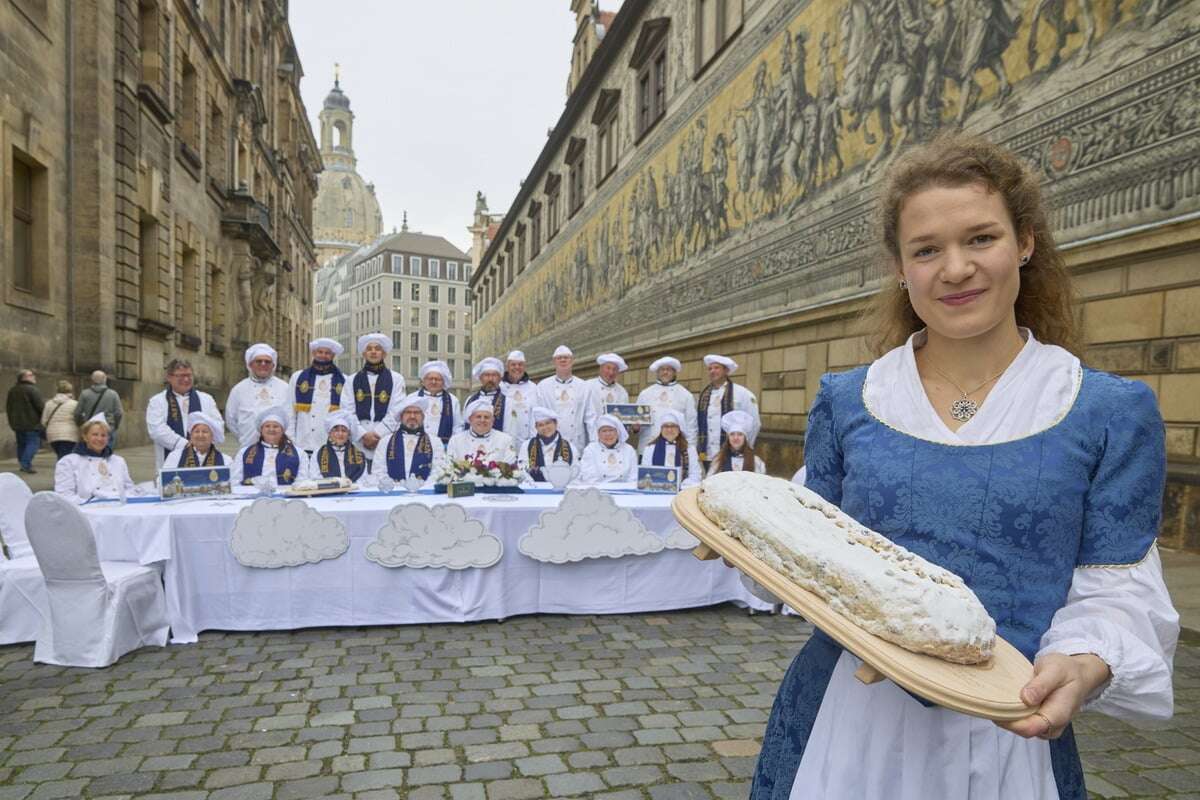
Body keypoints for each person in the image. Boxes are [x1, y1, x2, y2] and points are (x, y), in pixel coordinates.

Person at [746, 134, 1179, 800]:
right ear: (900, 266)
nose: (955, 269)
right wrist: (750, 541)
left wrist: (1085, 660)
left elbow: (1117, 585)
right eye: (927, 249)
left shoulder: (1107, 413)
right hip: (847, 732)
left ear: (1025, 242)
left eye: (981, 239)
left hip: (1007, 737)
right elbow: (809, 550)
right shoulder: (848, 402)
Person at [145, 359, 223, 471]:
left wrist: (201, 440)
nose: (186, 379)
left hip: (204, 458)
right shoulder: (157, 401)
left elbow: (218, 425)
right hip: (170, 462)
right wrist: (185, 445)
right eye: (180, 376)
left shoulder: (206, 399)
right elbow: (156, 429)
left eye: (189, 375)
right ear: (169, 377)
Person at [342, 333, 405, 465]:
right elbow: (346, 411)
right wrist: (363, 435)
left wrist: (377, 434)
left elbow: (397, 410)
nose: (373, 352)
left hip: (386, 438)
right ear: (364, 354)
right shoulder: (352, 380)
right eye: (369, 349)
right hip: (359, 440)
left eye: (377, 348)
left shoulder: (396, 379)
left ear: (384, 354)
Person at [54, 413, 137, 504]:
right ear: (85, 437)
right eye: (95, 434)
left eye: (103, 435)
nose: (99, 439)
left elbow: (130, 489)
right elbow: (64, 496)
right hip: (87, 512)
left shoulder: (118, 461)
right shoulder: (68, 462)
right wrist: (92, 504)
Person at [696, 354, 759, 466]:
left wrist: (744, 448)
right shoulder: (704, 395)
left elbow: (754, 423)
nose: (712, 371)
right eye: (710, 368)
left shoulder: (742, 394)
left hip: (732, 454)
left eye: (716, 368)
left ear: (726, 370)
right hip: (707, 454)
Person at [226, 343, 292, 448]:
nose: (263, 364)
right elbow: (231, 420)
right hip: (249, 446)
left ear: (273, 365)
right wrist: (245, 436)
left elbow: (290, 417)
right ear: (250, 364)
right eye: (258, 361)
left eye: (267, 362)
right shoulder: (239, 389)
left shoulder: (285, 388)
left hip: (280, 448)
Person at [289, 338, 347, 455]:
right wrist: (290, 439)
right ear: (313, 353)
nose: (323, 356)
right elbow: (290, 410)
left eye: (327, 353)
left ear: (333, 356)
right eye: (320, 352)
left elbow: (346, 414)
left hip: (331, 444)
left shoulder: (344, 380)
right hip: (303, 443)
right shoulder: (297, 377)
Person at [372, 393, 445, 485]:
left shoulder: (435, 442)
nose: (412, 416)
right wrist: (396, 487)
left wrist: (421, 487)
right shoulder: (385, 441)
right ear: (401, 417)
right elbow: (378, 471)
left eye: (416, 413)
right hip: (392, 493)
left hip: (425, 493)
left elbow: (439, 471)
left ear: (423, 417)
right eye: (408, 412)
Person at [231, 406, 308, 487]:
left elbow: (302, 482)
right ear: (261, 430)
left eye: (276, 426)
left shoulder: (300, 454)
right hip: (252, 497)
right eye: (267, 426)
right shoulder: (244, 453)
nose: (271, 429)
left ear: (282, 430)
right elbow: (235, 481)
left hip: (286, 497)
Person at [634, 357, 698, 453]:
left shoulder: (686, 395)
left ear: (675, 372)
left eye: (668, 369)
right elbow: (636, 420)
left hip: (676, 449)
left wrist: (691, 450)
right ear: (657, 372)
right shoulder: (645, 394)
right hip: (647, 447)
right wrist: (635, 428)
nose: (665, 372)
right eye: (662, 370)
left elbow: (691, 425)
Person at [535, 345, 592, 451]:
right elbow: (538, 416)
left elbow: (590, 417)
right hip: (550, 443)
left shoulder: (584, 386)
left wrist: (594, 443)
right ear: (554, 362)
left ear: (572, 361)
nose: (563, 360)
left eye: (566, 357)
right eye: (559, 358)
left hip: (576, 442)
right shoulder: (543, 386)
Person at [640, 409, 701, 488]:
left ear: (679, 429)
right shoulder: (650, 449)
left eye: (673, 426)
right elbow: (645, 473)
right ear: (661, 429)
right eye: (666, 426)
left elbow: (695, 475)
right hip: (656, 490)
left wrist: (679, 486)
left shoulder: (689, 449)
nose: (669, 429)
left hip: (682, 490)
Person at [446, 398, 517, 465]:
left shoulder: (505, 440)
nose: (482, 420)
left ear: (493, 421)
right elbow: (450, 466)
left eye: (486, 417)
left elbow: (510, 467)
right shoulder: (456, 440)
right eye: (478, 417)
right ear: (470, 419)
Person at [519, 406, 578, 482]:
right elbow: (522, 470)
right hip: (535, 490)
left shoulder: (570, 447)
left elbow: (576, 473)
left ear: (556, 424)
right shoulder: (527, 445)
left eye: (548, 423)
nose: (545, 427)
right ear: (536, 427)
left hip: (562, 490)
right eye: (540, 425)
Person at [307, 411, 367, 482]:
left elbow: (362, 480)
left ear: (348, 434)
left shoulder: (359, 455)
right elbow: (315, 478)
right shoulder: (318, 453)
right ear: (329, 433)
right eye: (336, 430)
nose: (340, 434)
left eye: (344, 431)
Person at [579, 414, 639, 483]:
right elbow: (588, 477)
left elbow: (633, 476)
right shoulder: (591, 449)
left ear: (618, 432)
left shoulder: (629, 450)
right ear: (598, 434)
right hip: (598, 490)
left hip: (624, 490)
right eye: (604, 431)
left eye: (611, 430)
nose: (608, 434)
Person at [584, 353, 630, 442]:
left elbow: (624, 418)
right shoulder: (587, 386)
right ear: (601, 368)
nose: (611, 372)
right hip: (590, 438)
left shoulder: (622, 392)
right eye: (608, 368)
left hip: (613, 440)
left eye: (615, 369)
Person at [707, 410, 766, 476]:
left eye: (740, 434)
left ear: (745, 438)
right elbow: (710, 481)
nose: (735, 438)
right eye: (732, 434)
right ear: (728, 438)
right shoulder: (718, 460)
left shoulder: (756, 462)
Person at [6, 369, 44, 474]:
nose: (34, 376)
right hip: (31, 423)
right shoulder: (32, 389)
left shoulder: (13, 390)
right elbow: (40, 406)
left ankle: (23, 463)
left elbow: (9, 407)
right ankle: (26, 463)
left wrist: (11, 421)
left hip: (17, 423)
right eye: (31, 375)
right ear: (24, 377)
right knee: (33, 444)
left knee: (22, 444)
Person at [74, 370, 124, 448]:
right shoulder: (113, 394)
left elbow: (77, 413)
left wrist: (81, 424)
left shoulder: (85, 394)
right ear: (105, 379)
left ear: (92, 380)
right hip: (108, 427)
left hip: (90, 428)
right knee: (107, 453)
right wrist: (115, 425)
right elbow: (119, 412)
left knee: (90, 452)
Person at [416, 360, 460, 446]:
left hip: (444, 447)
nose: (433, 382)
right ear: (423, 381)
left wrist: (454, 445)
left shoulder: (452, 400)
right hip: (417, 446)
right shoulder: (413, 398)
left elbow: (457, 427)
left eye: (437, 379)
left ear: (444, 382)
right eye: (430, 379)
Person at [500, 350, 537, 443]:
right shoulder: (500, 387)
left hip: (526, 440)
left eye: (520, 364)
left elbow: (535, 415)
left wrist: (533, 441)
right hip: (504, 440)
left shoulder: (533, 387)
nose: (517, 367)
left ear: (524, 367)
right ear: (507, 367)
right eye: (513, 364)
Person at [464, 358, 508, 432]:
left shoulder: (507, 401)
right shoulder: (470, 399)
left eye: (494, 375)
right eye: (487, 375)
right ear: (480, 378)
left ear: (500, 378)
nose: (490, 379)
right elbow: (464, 424)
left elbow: (509, 430)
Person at [41, 380, 79, 460]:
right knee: (65, 457)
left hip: (52, 434)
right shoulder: (74, 404)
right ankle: (63, 471)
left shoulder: (49, 403)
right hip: (69, 434)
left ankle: (63, 470)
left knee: (61, 455)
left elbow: (44, 421)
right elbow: (78, 419)